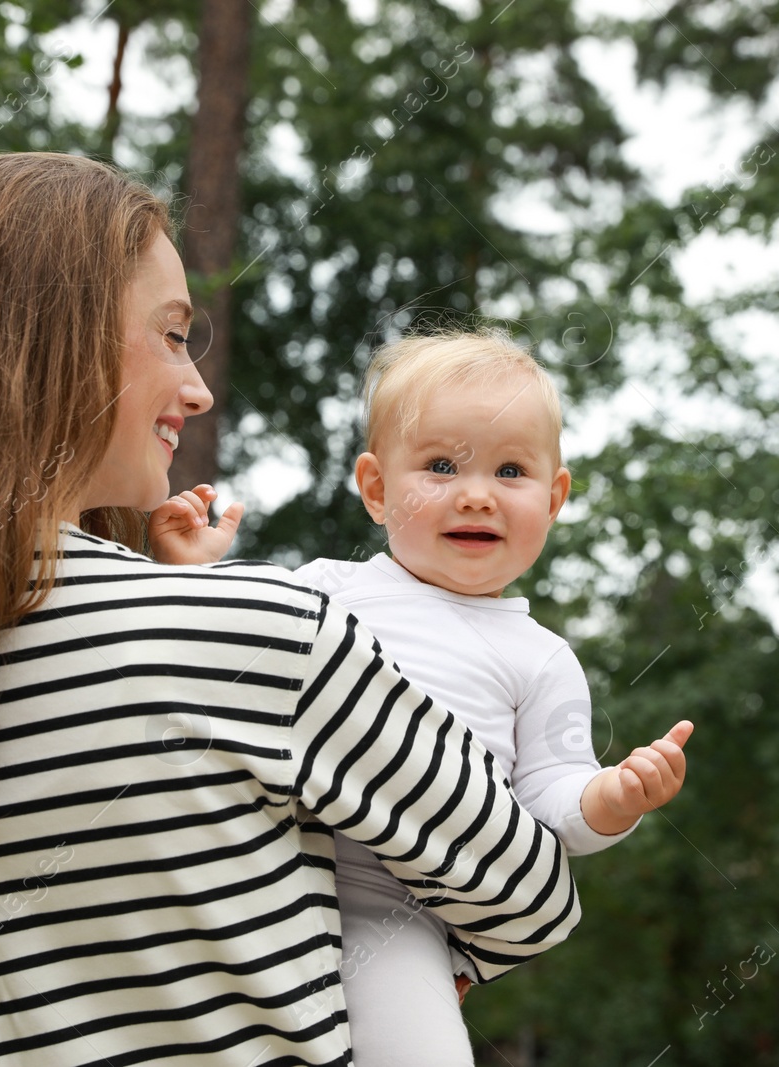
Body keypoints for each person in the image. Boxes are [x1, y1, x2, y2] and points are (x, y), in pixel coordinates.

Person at [0, 153, 580, 1067]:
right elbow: (532, 891)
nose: (199, 388)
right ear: (49, 345)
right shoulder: (262, 639)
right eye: (173, 334)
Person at [292, 331, 694, 1065]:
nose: (476, 492)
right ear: (376, 488)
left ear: (554, 495)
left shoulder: (540, 659)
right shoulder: (326, 588)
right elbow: (221, 649)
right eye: (441, 465)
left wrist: (614, 797)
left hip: (396, 911)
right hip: (269, 862)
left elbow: (550, 795)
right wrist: (195, 564)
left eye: (510, 469)